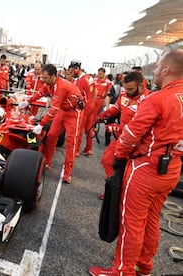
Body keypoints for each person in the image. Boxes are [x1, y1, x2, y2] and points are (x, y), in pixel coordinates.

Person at [89, 49, 183, 276]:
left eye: (159, 64)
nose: (157, 69)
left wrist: (120, 157)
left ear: (167, 69)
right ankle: (144, 266)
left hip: (145, 168)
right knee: (151, 220)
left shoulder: (158, 98)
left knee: (131, 223)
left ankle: (122, 271)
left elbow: (131, 134)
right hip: (171, 170)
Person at [98, 72, 148, 199]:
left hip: (138, 143)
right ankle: (113, 189)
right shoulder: (124, 95)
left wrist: (116, 127)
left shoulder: (148, 101)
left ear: (141, 86)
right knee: (107, 161)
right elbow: (117, 107)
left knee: (127, 170)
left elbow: (141, 127)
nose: (128, 91)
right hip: (121, 138)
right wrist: (105, 114)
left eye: (130, 89)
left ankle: (123, 194)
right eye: (126, 88)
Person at [30, 64, 83, 184]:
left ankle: (67, 173)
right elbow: (39, 93)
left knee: (71, 143)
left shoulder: (61, 86)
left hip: (74, 113)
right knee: (51, 136)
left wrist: (41, 124)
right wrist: (28, 101)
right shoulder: (49, 83)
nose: (43, 80)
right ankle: (47, 161)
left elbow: (53, 109)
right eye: (42, 78)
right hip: (63, 111)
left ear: (53, 76)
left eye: (45, 78)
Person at [69, 61, 95, 156]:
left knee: (78, 129)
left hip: (84, 106)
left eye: (72, 70)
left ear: (76, 69)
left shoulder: (81, 81)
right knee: (89, 129)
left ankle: (75, 151)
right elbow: (95, 91)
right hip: (92, 104)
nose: (71, 73)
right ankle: (89, 148)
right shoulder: (89, 77)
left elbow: (77, 96)